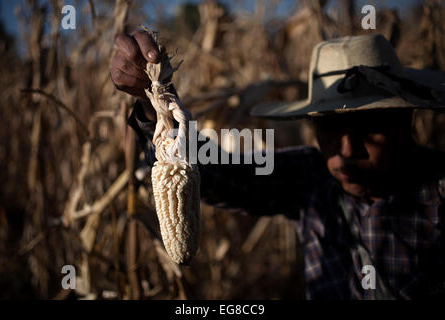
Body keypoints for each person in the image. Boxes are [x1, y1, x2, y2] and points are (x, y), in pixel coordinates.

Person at [110, 31, 445, 299]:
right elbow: (218, 174)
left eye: (369, 128)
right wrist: (156, 104)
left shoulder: (437, 191)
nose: (346, 149)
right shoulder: (310, 177)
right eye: (329, 127)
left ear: (405, 121)